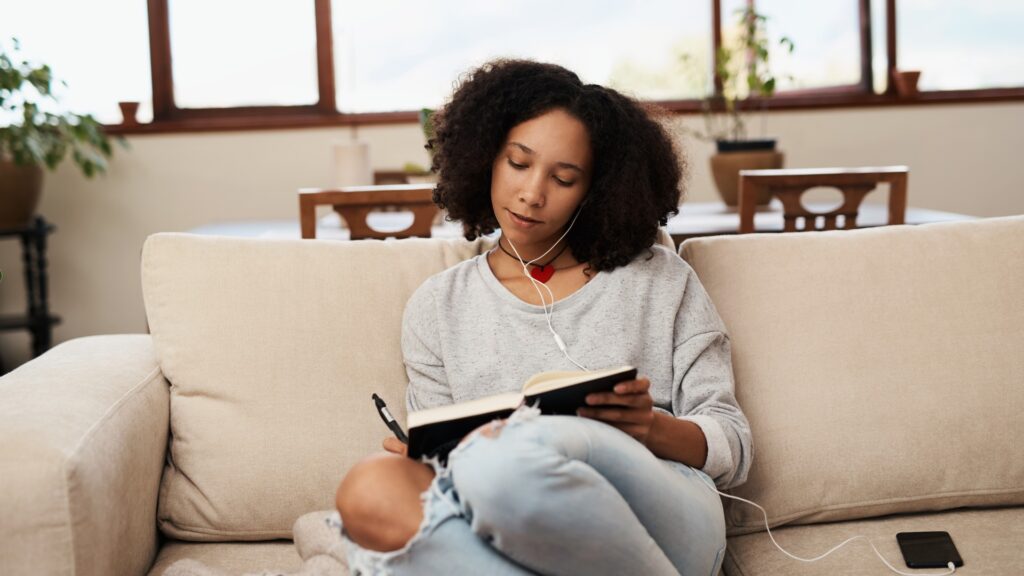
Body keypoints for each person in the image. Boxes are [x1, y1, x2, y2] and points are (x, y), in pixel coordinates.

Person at [335, 59, 752, 576]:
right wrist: (425, 458)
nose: (533, 193)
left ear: (595, 190)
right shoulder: (437, 306)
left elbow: (733, 443)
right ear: (486, 157)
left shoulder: (657, 278)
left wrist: (650, 429)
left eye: (564, 177)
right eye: (518, 163)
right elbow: (442, 475)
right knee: (371, 486)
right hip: (507, 521)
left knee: (508, 451)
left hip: (663, 509)